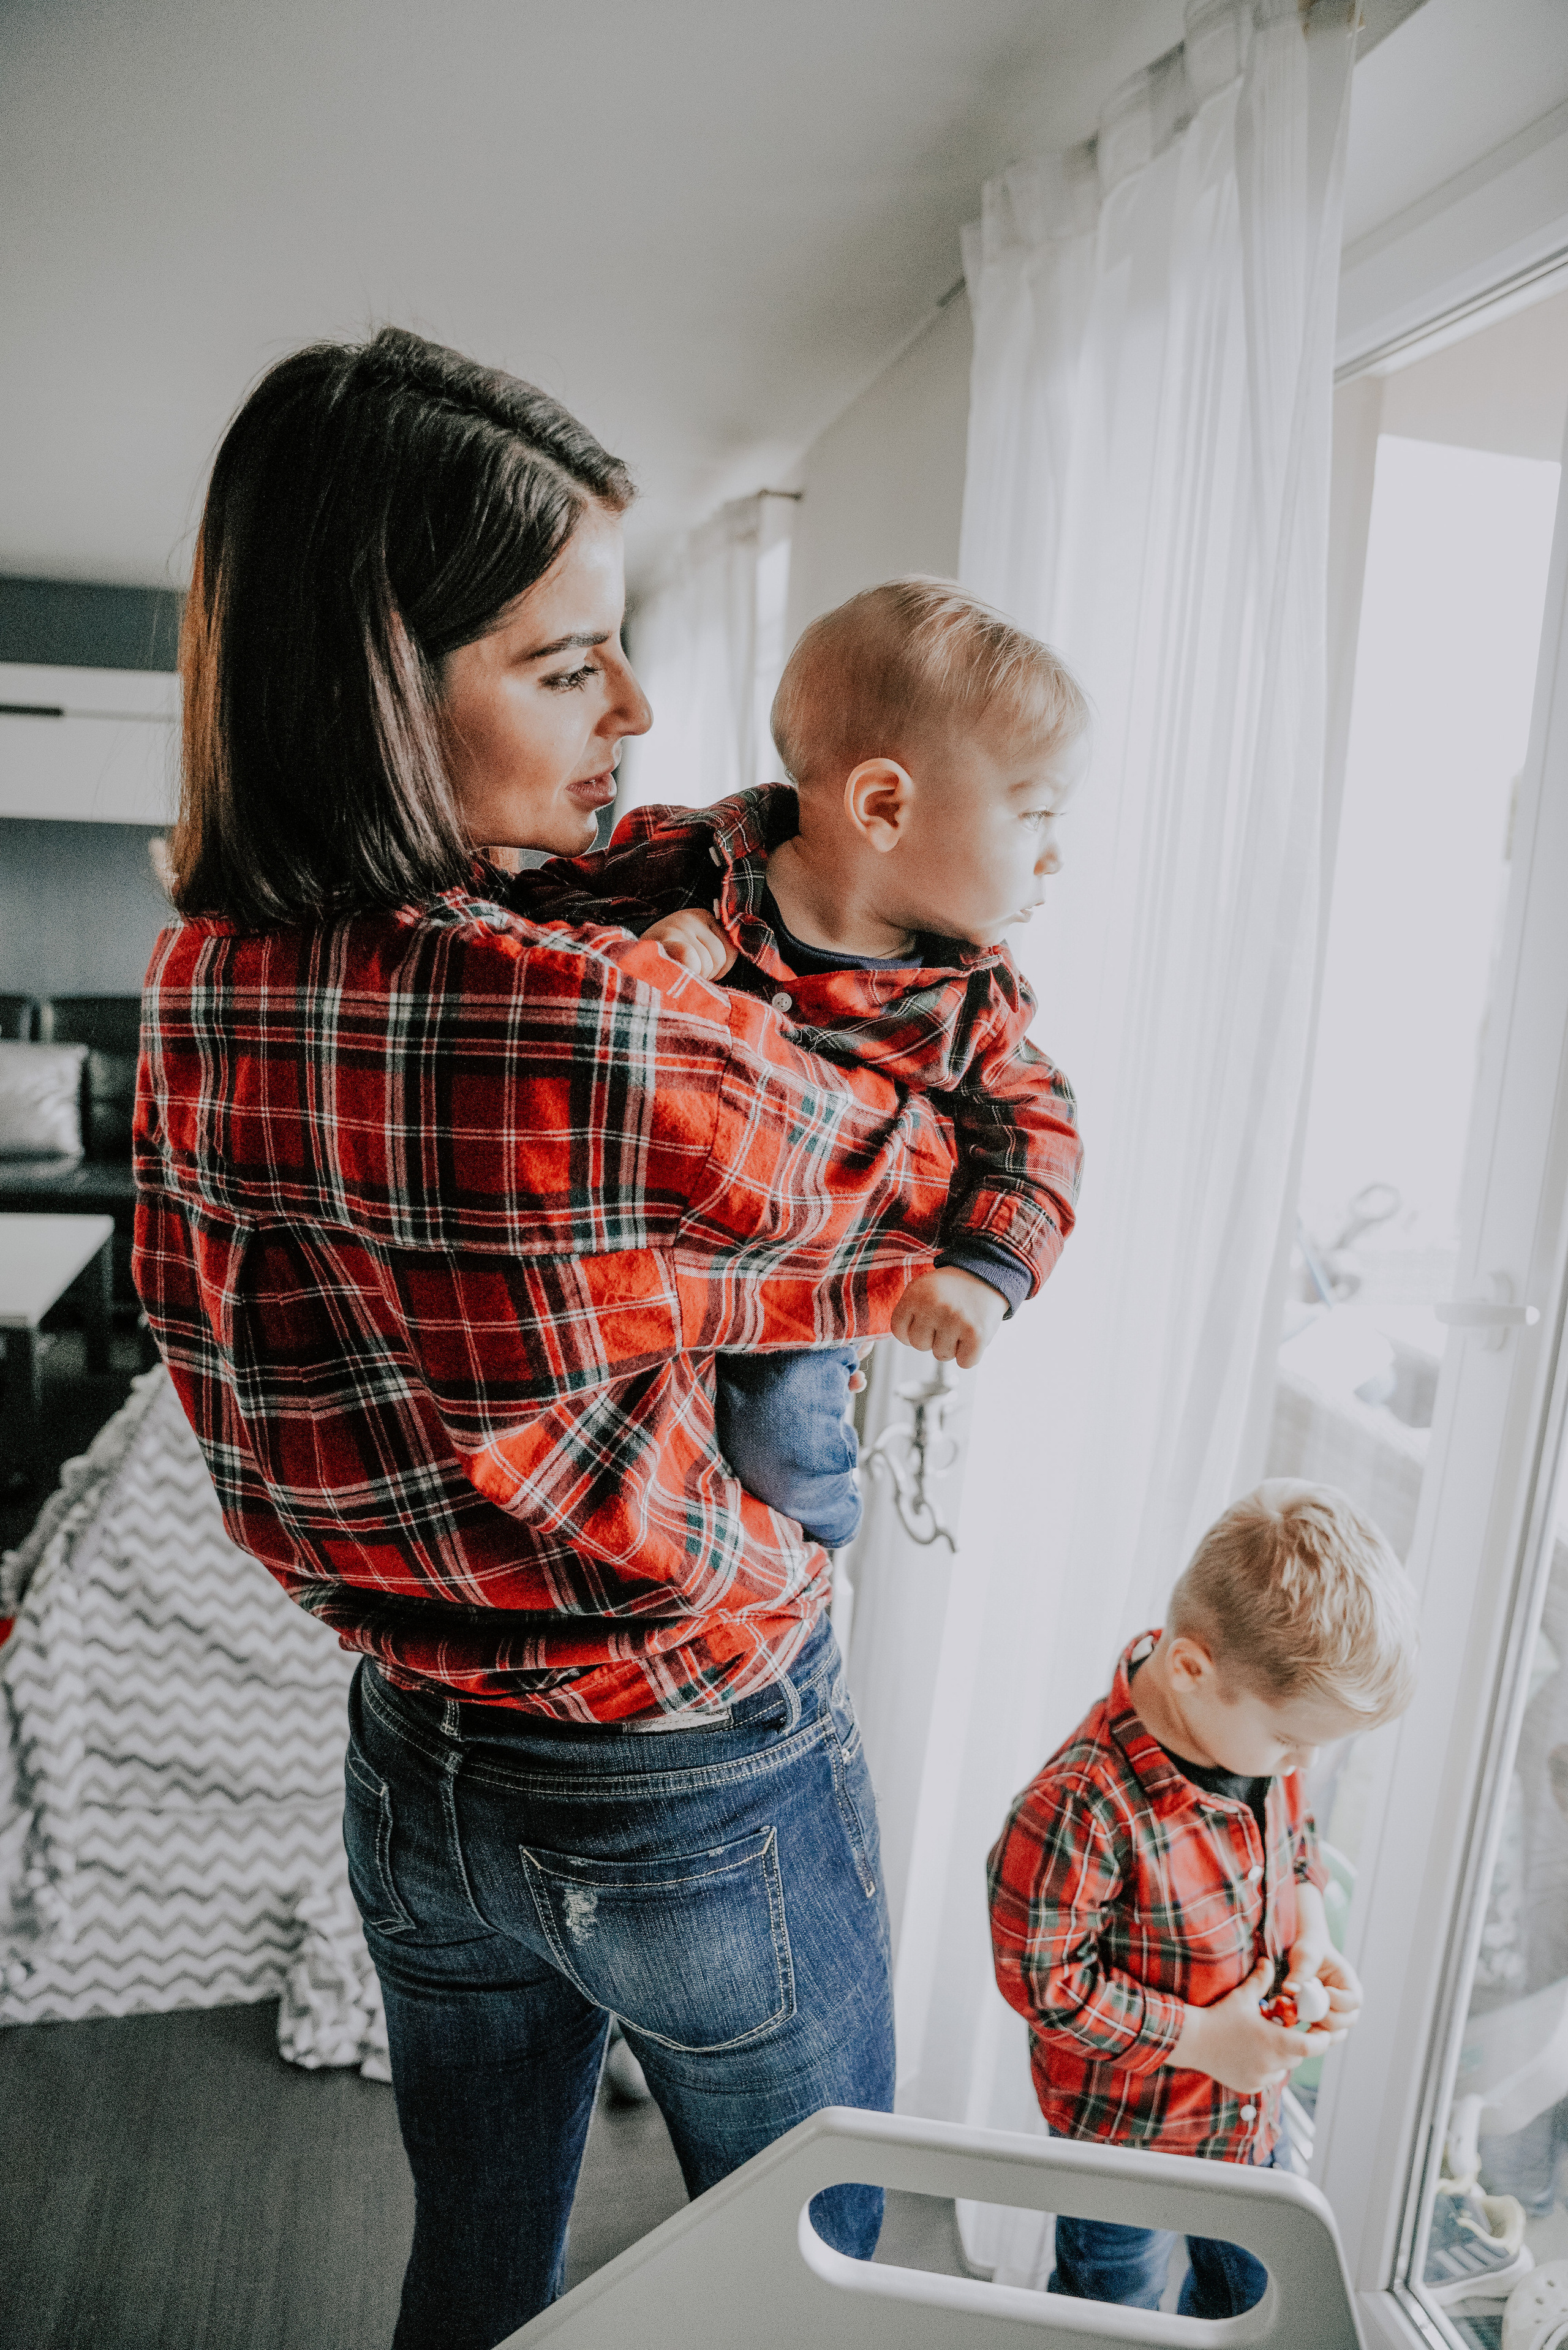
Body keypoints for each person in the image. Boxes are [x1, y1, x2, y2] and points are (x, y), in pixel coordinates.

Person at [132, 326, 1035, 2350]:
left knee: (473, 2262)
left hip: (413, 1755)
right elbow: (908, 1182)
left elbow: (551, 1304)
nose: (638, 706)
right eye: (563, 664)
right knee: (837, 2281)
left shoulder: (200, 966)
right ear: (375, 676)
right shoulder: (586, 1015)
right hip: (684, 1758)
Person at [522, 579, 1087, 1546]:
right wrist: (646, 945)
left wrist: (985, 1273)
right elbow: (528, 921)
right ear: (882, 804)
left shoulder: (968, 999)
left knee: (786, 1444)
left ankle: (806, 1571)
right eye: (1034, 815)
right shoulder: (690, 860)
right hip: (630, 1256)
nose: (1054, 858)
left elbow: (1042, 1130)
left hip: (793, 1300)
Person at [987, 1481, 1419, 2319]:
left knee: (1255, 2298)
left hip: (1245, 2125)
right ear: (1189, 1667)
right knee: (1110, 2309)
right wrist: (1205, 2039)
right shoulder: (1082, 1804)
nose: (1296, 1766)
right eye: (1291, 1740)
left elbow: (1292, 1835)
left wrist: (1310, 1933)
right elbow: (1045, 1984)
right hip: (1122, 2146)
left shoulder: (1253, 1745)